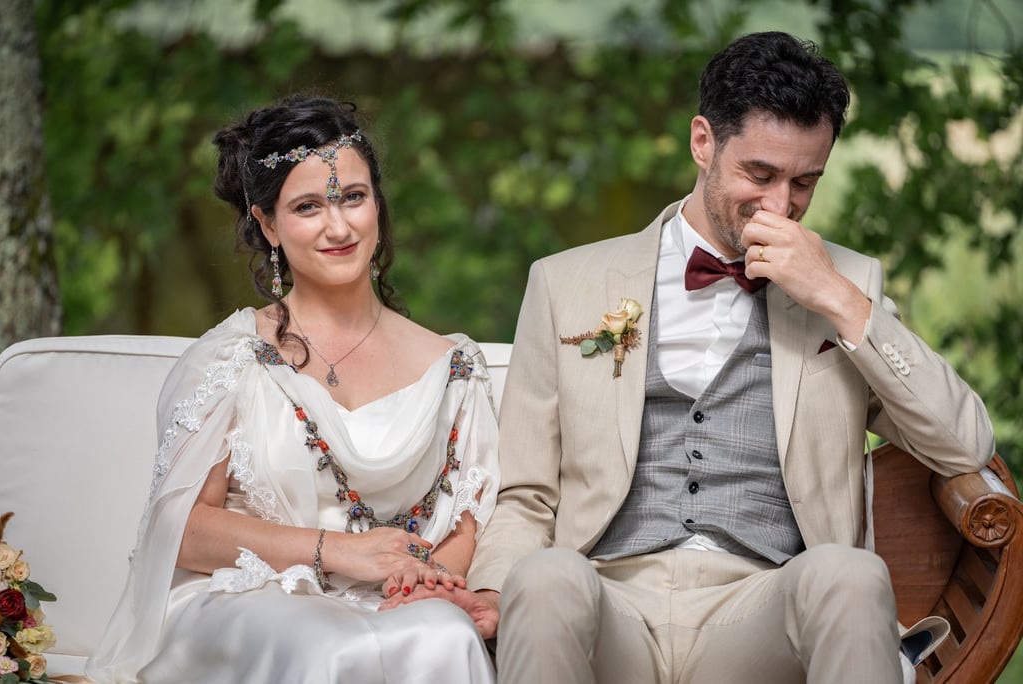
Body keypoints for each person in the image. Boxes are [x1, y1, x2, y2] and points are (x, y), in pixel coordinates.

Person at [381, 31, 995, 683]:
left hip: (764, 610)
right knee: (545, 575)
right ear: (703, 141)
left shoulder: (844, 286)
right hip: (609, 603)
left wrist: (838, 299)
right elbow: (528, 492)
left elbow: (966, 445)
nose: (779, 205)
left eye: (804, 182)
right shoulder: (566, 284)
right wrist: (500, 588)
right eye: (759, 174)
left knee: (851, 573)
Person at [85, 96, 500, 683]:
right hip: (249, 599)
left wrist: (425, 576)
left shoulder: (456, 367)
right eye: (308, 206)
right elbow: (178, 530)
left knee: (444, 636)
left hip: (398, 600)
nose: (339, 226)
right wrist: (337, 550)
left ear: (377, 204)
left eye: (353, 197)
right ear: (268, 224)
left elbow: (468, 520)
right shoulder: (232, 358)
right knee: (326, 648)